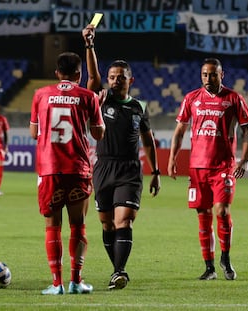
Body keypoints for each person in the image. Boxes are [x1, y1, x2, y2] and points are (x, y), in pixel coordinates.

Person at [82, 25, 161, 290]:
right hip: (103, 167)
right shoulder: (100, 100)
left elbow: (148, 141)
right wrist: (90, 45)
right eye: (112, 76)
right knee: (106, 225)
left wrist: (156, 172)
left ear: (131, 80)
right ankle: (116, 270)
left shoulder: (140, 107)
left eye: (120, 77)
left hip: (129, 170)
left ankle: (119, 271)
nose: (115, 80)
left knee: (123, 220)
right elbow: (92, 78)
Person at [167, 58, 248, 281]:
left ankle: (225, 258)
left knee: (222, 212)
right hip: (197, 167)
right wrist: (172, 158)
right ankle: (209, 267)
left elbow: (247, 130)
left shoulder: (234, 98)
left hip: (223, 167)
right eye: (205, 74)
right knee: (203, 216)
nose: (208, 78)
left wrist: (243, 160)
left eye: (213, 74)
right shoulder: (191, 98)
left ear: (221, 75)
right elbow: (179, 131)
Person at [29, 52, 105, 295]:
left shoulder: (40, 94)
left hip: (50, 169)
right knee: (78, 225)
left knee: (52, 226)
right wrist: (96, 108)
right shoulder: (88, 96)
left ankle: (56, 284)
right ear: (79, 74)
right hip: (78, 168)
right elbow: (99, 134)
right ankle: (76, 281)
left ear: (56, 73)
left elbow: (33, 133)